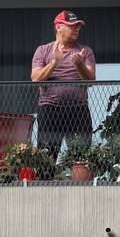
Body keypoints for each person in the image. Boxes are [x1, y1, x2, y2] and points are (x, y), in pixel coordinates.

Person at [31, 10, 97, 160]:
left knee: (81, 159)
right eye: (72, 26)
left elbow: (91, 82)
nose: (76, 29)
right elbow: (35, 79)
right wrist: (54, 62)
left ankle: (80, 184)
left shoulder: (85, 51)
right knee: (46, 158)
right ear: (58, 27)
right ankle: (46, 182)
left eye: (78, 26)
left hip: (78, 109)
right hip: (50, 109)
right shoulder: (43, 50)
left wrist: (80, 64)